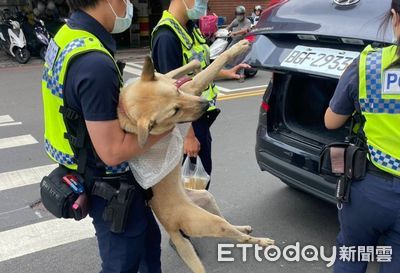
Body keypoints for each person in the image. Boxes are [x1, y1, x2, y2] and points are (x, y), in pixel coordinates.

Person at [41, 0, 170, 272]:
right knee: (121, 264)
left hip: (85, 166)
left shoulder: (68, 35)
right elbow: (112, 151)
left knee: (148, 246)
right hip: (110, 185)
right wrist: (167, 127)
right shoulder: (94, 64)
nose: (128, 5)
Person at [324, 1, 400, 272]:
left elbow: (331, 121)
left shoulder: (368, 63)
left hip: (369, 188)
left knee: (351, 255)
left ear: (394, 17)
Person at [151, 0, 250, 190]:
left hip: (200, 118)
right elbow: (172, 96)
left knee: (200, 181)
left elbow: (200, 69)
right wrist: (188, 136)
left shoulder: (189, 27)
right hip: (186, 126)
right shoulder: (167, 36)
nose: (204, 2)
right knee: (192, 189)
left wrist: (225, 72)